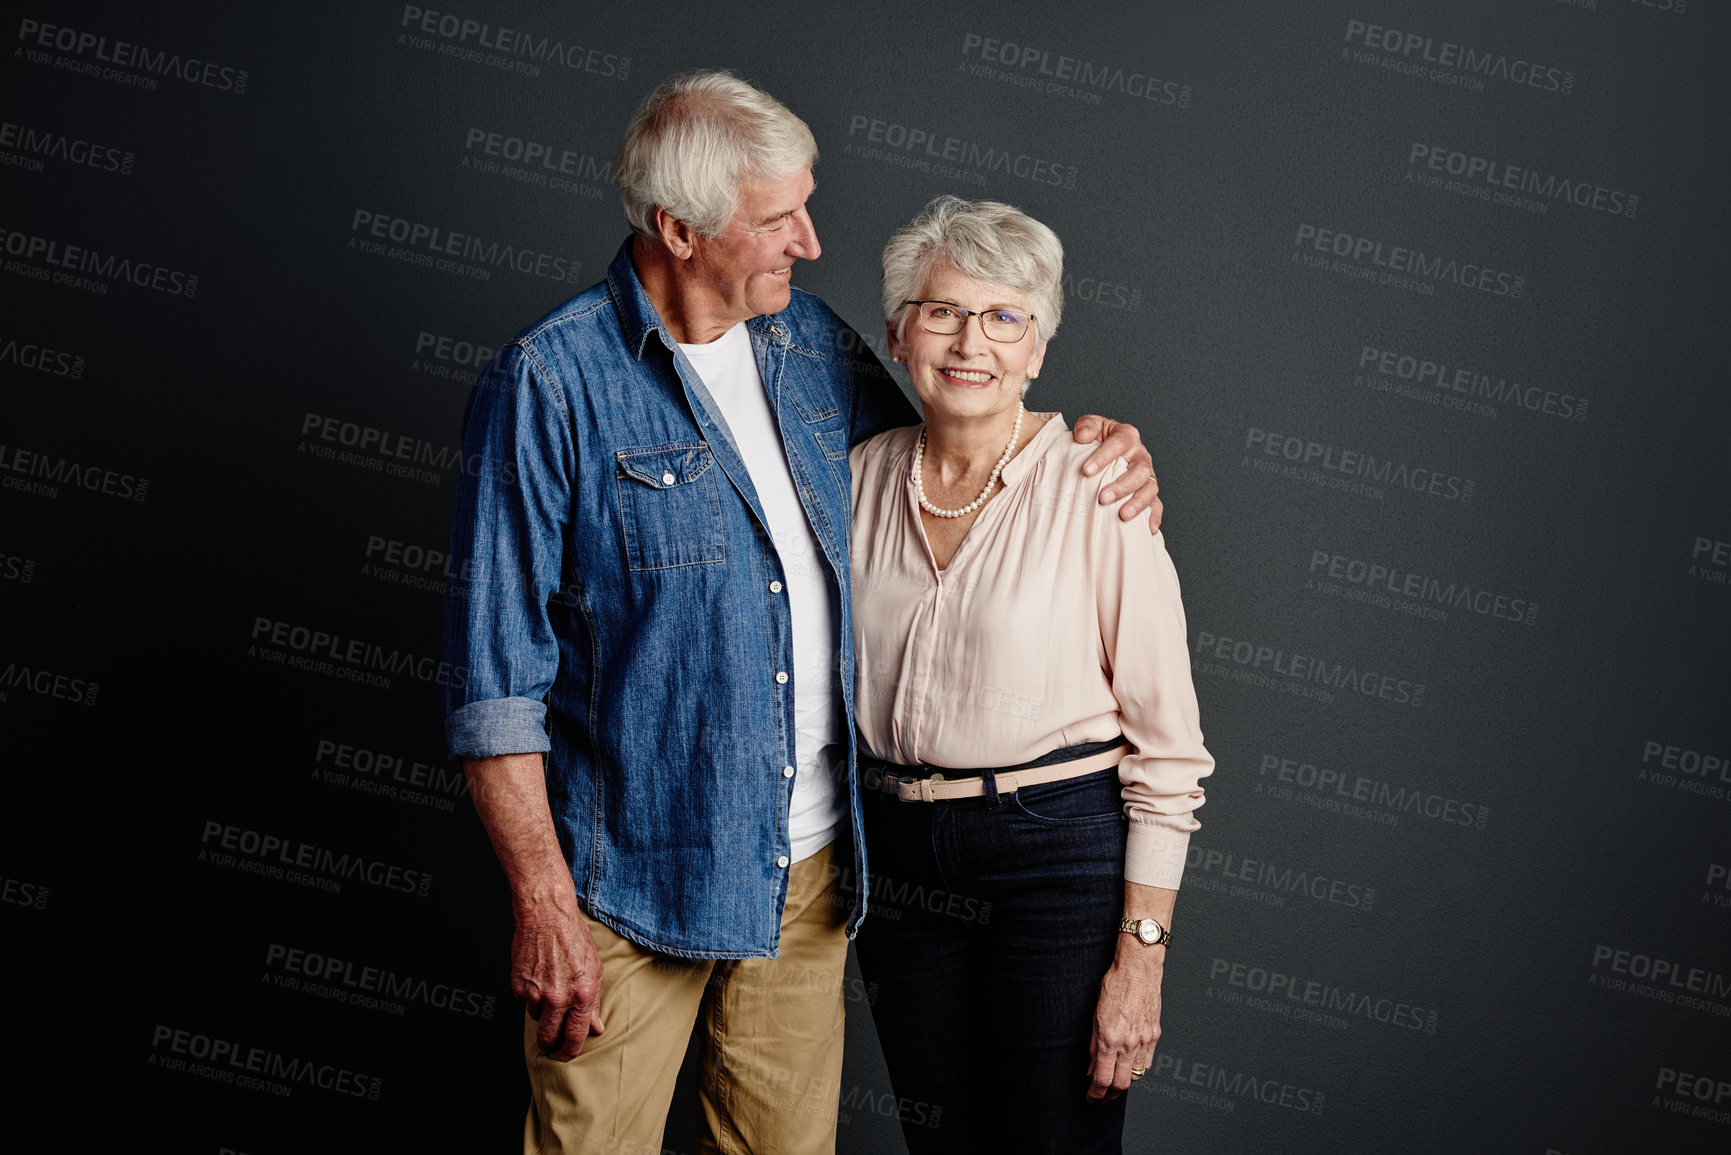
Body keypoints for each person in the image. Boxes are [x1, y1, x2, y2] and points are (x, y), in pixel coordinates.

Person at [441, 73, 1165, 1154]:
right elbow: (494, 687)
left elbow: (961, 441)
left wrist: (1096, 443)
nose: (812, 241)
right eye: (779, 218)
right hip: (632, 885)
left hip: (809, 882)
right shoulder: (551, 385)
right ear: (680, 229)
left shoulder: (814, 351)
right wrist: (545, 907)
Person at [848, 195, 1214, 1154]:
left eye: (1004, 316)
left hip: (1055, 854)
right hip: (897, 858)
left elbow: (1169, 752)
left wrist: (1140, 961)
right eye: (942, 311)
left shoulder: (1099, 486)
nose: (972, 341)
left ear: (1038, 347)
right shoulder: (849, 483)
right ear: (898, 332)